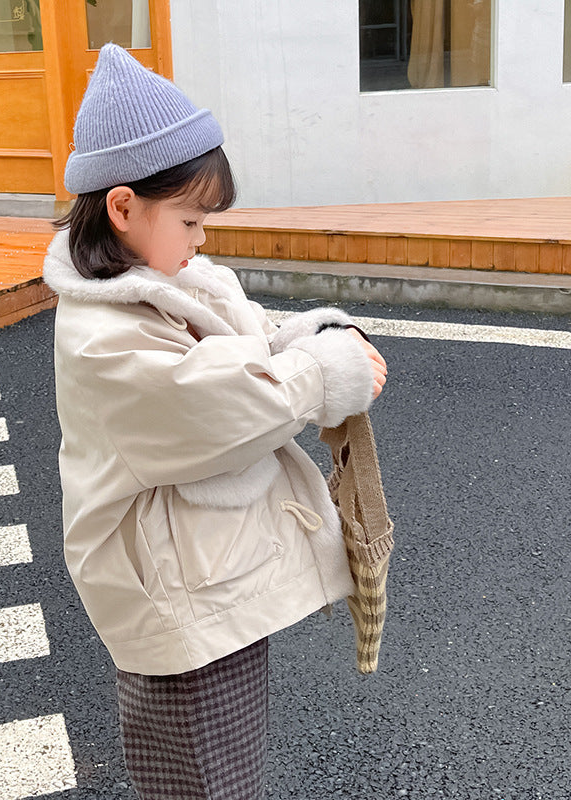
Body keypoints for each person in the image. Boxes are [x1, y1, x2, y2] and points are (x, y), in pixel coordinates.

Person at [44, 43, 387, 800]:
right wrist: (321, 376)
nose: (203, 239)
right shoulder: (105, 335)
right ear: (124, 207)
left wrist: (307, 343)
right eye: (193, 219)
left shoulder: (160, 280)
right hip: (175, 596)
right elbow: (210, 405)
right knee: (203, 777)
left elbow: (246, 341)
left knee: (217, 765)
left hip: (202, 576)